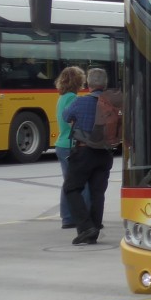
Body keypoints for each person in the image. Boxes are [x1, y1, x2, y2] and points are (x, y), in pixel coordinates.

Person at [62, 67, 120, 245]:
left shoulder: (81, 102)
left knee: (71, 189)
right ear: (105, 84)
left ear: (88, 84)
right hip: (105, 153)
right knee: (97, 192)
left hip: (84, 151)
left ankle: (86, 227)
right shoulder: (113, 102)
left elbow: (66, 116)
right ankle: (93, 229)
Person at [53, 66, 88, 229]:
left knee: (68, 181)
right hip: (70, 144)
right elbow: (74, 120)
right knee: (81, 182)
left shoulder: (62, 97)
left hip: (62, 143)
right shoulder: (72, 98)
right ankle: (75, 216)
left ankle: (67, 217)